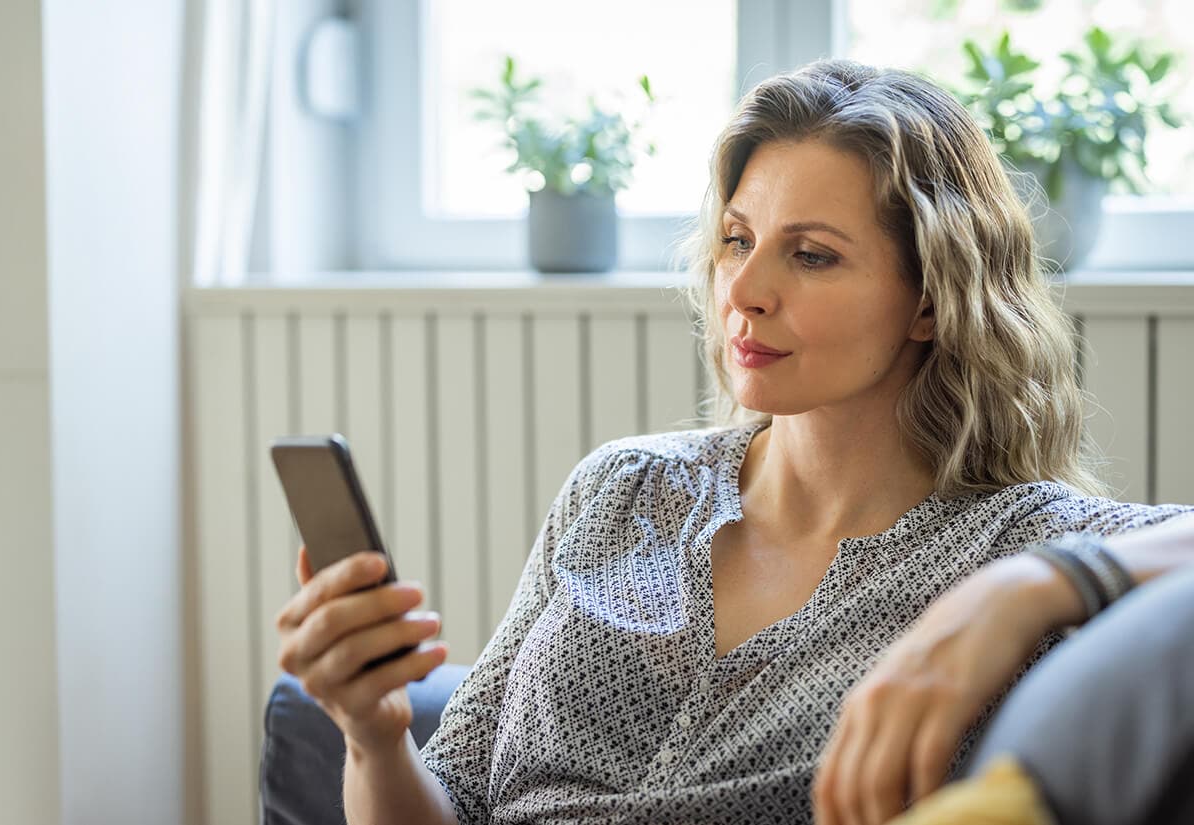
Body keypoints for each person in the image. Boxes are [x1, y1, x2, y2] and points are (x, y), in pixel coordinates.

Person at [271, 58, 1194, 825]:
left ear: (928, 297)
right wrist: (373, 732)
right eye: (736, 239)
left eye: (812, 253)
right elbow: (457, 799)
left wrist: (1033, 588)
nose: (743, 290)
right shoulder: (620, 489)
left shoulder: (1020, 543)